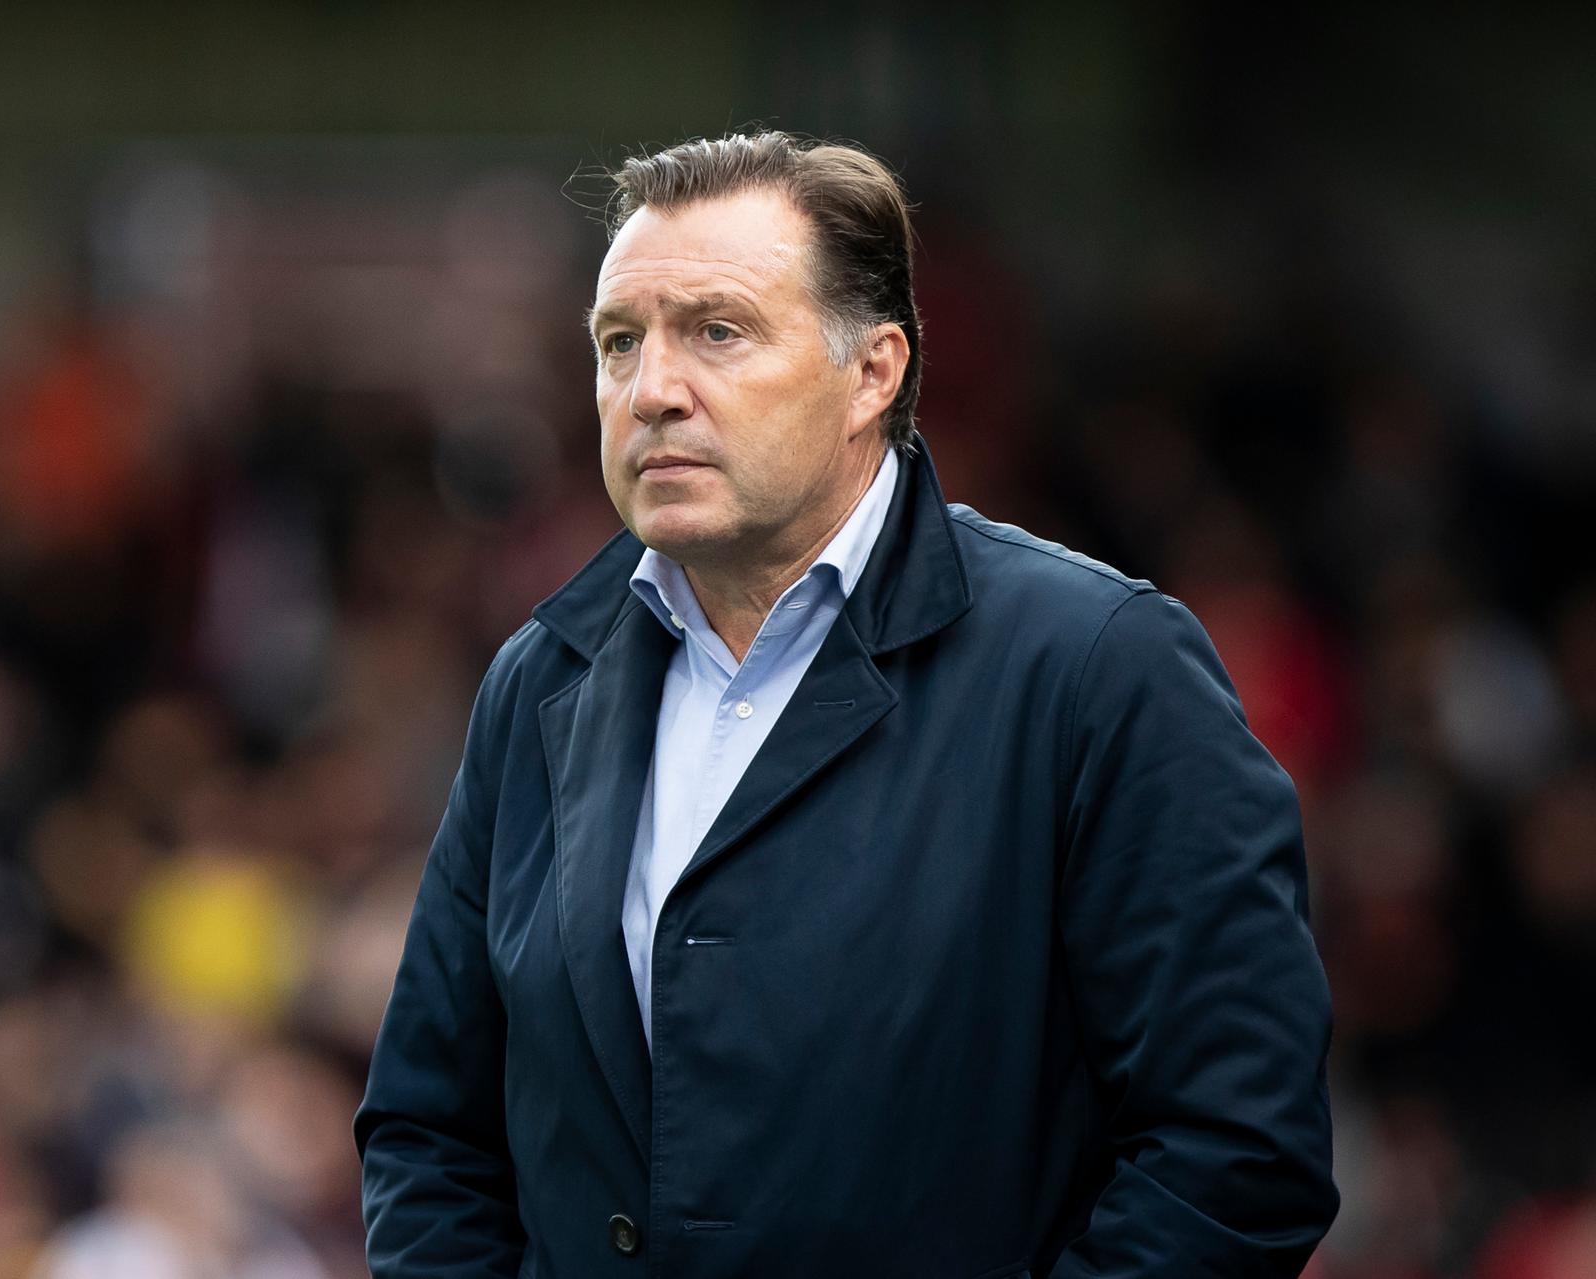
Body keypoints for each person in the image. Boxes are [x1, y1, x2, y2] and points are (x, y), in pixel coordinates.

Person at [354, 130, 1337, 1278]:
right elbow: (430, 1131)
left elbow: (1236, 1150)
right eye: (620, 343)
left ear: (874, 371)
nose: (653, 390)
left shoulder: (1097, 664)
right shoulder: (540, 680)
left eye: (717, 331)